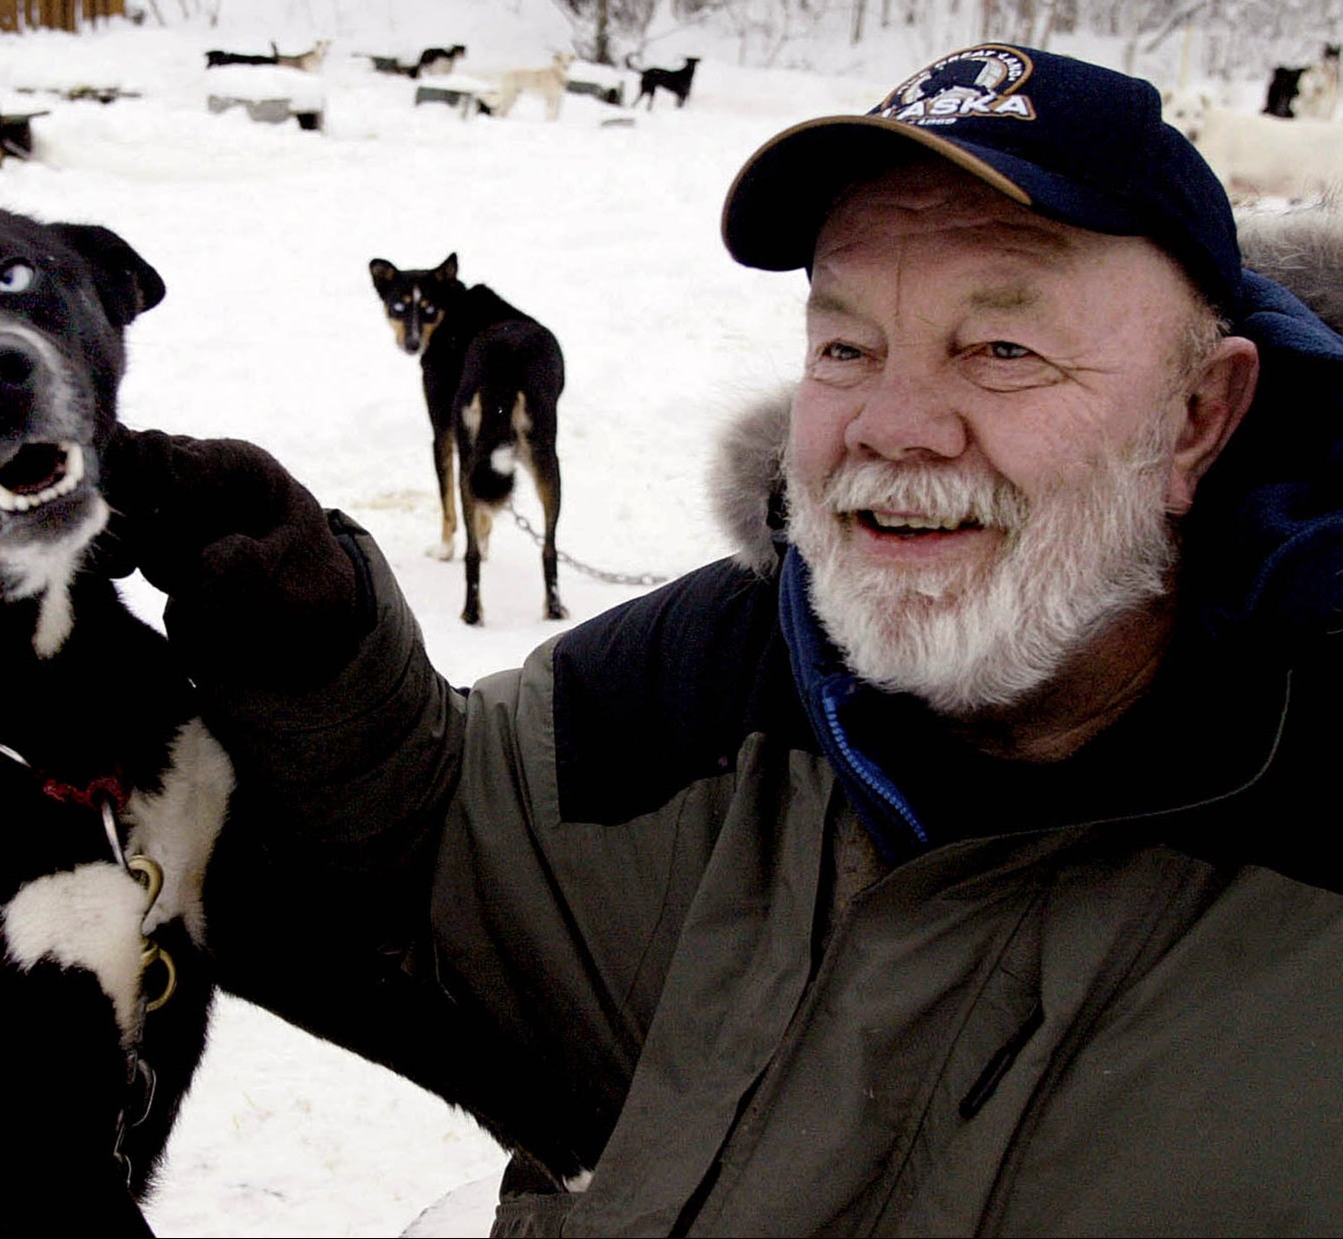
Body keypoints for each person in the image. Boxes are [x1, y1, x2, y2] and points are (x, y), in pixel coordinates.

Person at [102, 44, 1343, 1236]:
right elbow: (442, 834)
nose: (891, 427)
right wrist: (313, 652)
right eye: (846, 345)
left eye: (1001, 349)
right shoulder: (726, 672)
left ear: (1198, 417)